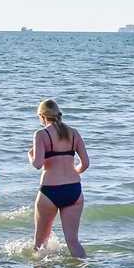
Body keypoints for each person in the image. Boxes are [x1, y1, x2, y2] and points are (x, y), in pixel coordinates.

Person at [29, 98, 90, 257]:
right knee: (73, 241)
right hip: (73, 190)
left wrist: (30, 155)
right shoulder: (74, 132)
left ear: (42, 116)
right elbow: (85, 163)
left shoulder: (41, 134)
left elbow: (37, 164)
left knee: (39, 244)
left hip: (50, 191)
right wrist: (74, 172)